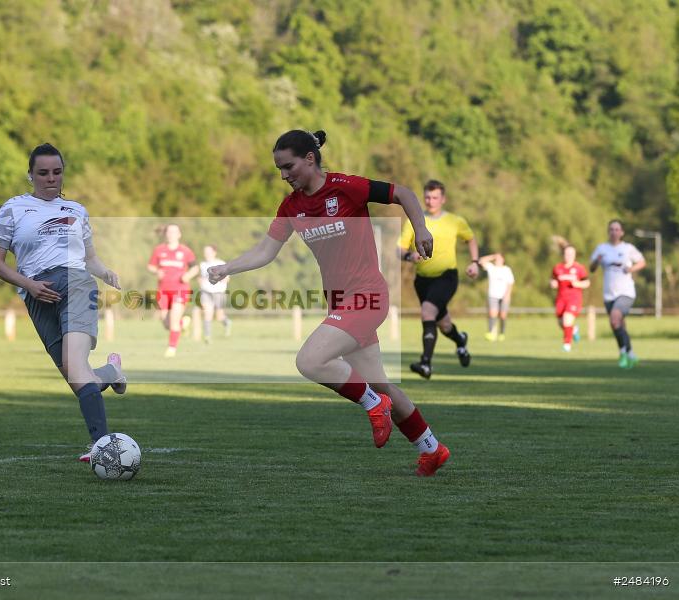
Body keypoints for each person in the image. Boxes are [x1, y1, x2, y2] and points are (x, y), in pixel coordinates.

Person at [208, 129, 450, 477]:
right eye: (278, 169)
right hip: (340, 303)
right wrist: (227, 268)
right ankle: (431, 448)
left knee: (310, 360)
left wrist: (422, 229)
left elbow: (404, 194)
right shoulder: (292, 205)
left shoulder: (345, 186)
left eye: (288, 166)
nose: (283, 175)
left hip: (367, 296)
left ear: (310, 158)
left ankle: (372, 404)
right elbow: (266, 251)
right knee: (380, 383)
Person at [0, 143, 127, 464]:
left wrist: (106, 273)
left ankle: (103, 446)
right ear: (30, 175)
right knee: (75, 376)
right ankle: (111, 372)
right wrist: (30, 286)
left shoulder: (77, 211)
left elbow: (89, 258)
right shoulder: (13, 209)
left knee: (77, 369)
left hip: (77, 284)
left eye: (57, 172)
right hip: (37, 295)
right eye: (43, 173)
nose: (51, 179)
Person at [398, 180, 479, 379]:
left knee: (427, 312)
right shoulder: (414, 221)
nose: (431, 201)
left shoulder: (455, 221)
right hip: (422, 281)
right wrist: (409, 256)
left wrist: (475, 262)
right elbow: (399, 249)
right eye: (427, 197)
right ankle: (460, 340)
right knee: (444, 325)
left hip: (446, 277)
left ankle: (426, 364)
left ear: (443, 199)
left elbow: (471, 239)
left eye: (435, 197)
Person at [590, 219, 646, 368]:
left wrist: (631, 269)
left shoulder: (628, 248)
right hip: (609, 294)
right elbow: (592, 268)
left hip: (626, 292)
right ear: (608, 232)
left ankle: (622, 352)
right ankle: (631, 353)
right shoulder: (601, 248)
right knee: (618, 325)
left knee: (614, 319)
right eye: (611, 229)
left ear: (622, 232)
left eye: (617, 229)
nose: (614, 232)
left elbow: (642, 262)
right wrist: (597, 261)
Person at [147, 224, 198, 357]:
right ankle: (183, 323)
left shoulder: (185, 251)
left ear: (179, 234)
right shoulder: (159, 250)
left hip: (180, 289)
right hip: (163, 290)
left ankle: (171, 349)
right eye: (169, 232)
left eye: (174, 232)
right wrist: (157, 271)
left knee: (174, 319)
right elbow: (150, 266)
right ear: (165, 234)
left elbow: (195, 268)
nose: (172, 234)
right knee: (166, 322)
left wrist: (188, 275)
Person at [551, 245, 590, 352]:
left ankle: (566, 345)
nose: (568, 256)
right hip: (561, 298)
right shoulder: (557, 268)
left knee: (567, 318)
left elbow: (587, 282)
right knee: (561, 322)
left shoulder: (579, 268)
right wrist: (553, 283)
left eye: (571, 254)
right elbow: (553, 280)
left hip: (574, 298)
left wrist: (577, 284)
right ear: (563, 255)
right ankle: (574, 330)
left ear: (574, 255)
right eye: (566, 254)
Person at [198, 245, 232, 343]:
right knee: (207, 313)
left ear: (214, 252)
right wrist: (200, 280)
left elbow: (227, 279)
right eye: (205, 252)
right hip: (206, 292)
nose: (206, 254)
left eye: (208, 252)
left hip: (219, 292)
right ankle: (207, 337)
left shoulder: (221, 263)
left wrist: (217, 278)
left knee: (219, 316)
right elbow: (200, 277)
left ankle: (227, 322)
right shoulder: (202, 264)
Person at [479, 253, 515, 341]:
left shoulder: (507, 270)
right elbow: (480, 261)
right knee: (492, 314)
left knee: (503, 315)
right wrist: (493, 256)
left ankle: (501, 333)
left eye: (499, 258)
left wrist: (507, 294)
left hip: (504, 295)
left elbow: (510, 283)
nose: (497, 260)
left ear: (503, 260)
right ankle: (491, 332)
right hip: (493, 295)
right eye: (496, 259)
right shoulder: (491, 267)